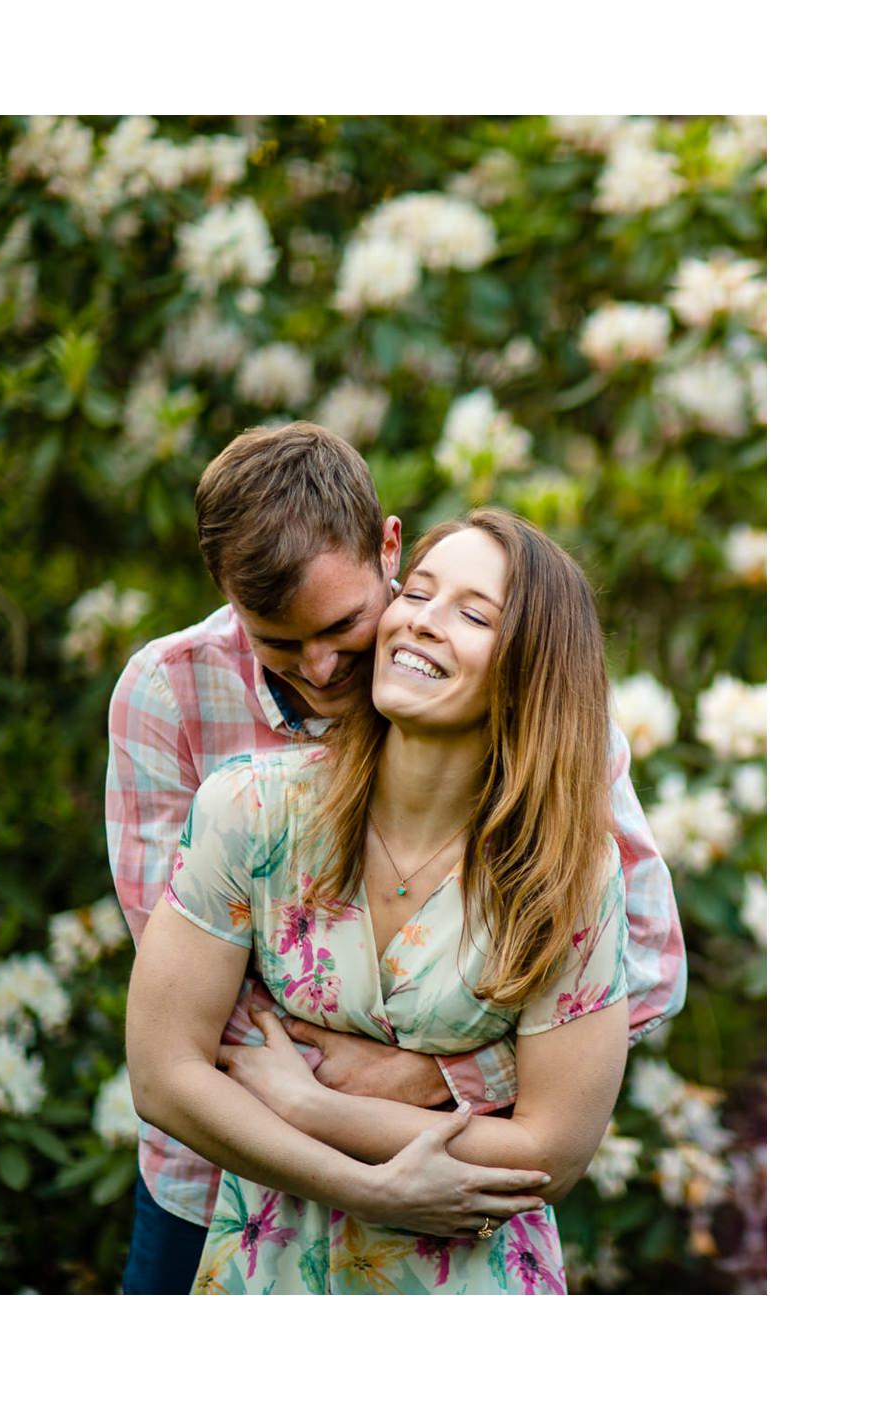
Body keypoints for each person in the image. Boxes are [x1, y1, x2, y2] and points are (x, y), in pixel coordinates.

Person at [108, 422, 685, 1293]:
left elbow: (643, 965)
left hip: (457, 1207)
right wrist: (363, 1162)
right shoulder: (191, 723)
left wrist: (432, 1076)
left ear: (388, 548)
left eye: (345, 625)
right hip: (227, 1172)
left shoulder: (557, 767)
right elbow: (192, 1015)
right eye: (277, 641)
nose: (325, 668)